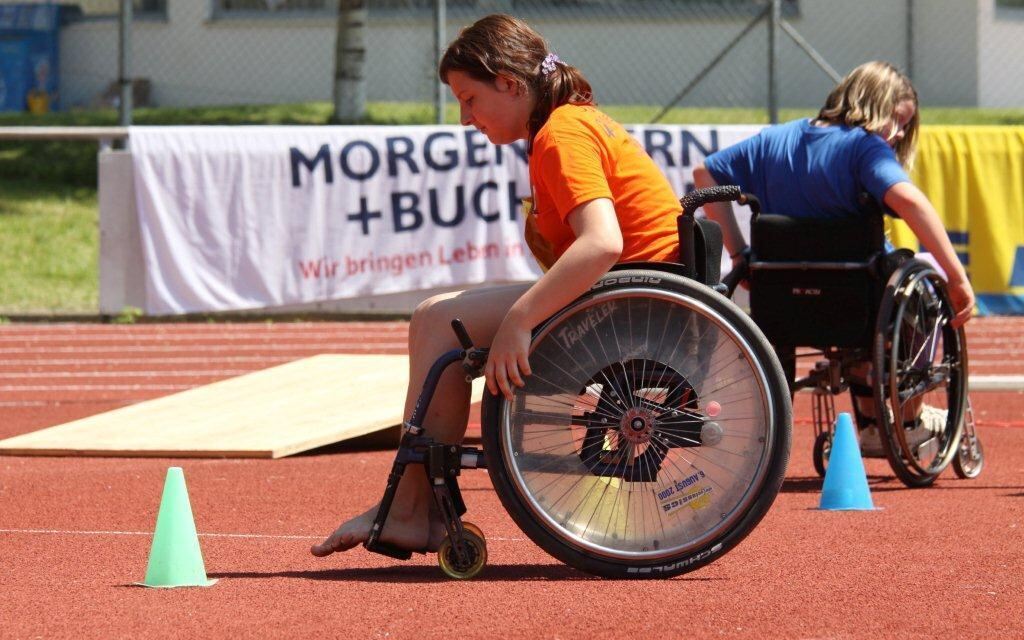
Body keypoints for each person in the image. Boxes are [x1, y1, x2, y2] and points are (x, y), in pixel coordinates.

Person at [312, 14, 684, 558]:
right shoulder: (570, 124)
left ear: (509, 83)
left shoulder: (563, 133)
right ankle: (416, 508)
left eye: (469, 99)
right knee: (434, 314)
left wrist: (520, 320)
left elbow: (601, 243)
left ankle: (415, 513)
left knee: (440, 321)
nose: (466, 119)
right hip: (639, 295)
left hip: (632, 304)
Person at [692, 60, 975, 451]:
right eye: (897, 119)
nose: (898, 133)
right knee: (918, 290)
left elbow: (705, 175)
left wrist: (739, 251)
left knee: (873, 294)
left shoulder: (776, 139)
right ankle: (905, 419)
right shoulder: (864, 147)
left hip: (783, 301)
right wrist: (957, 277)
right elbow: (909, 200)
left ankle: (862, 426)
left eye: (906, 126)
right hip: (856, 301)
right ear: (874, 104)